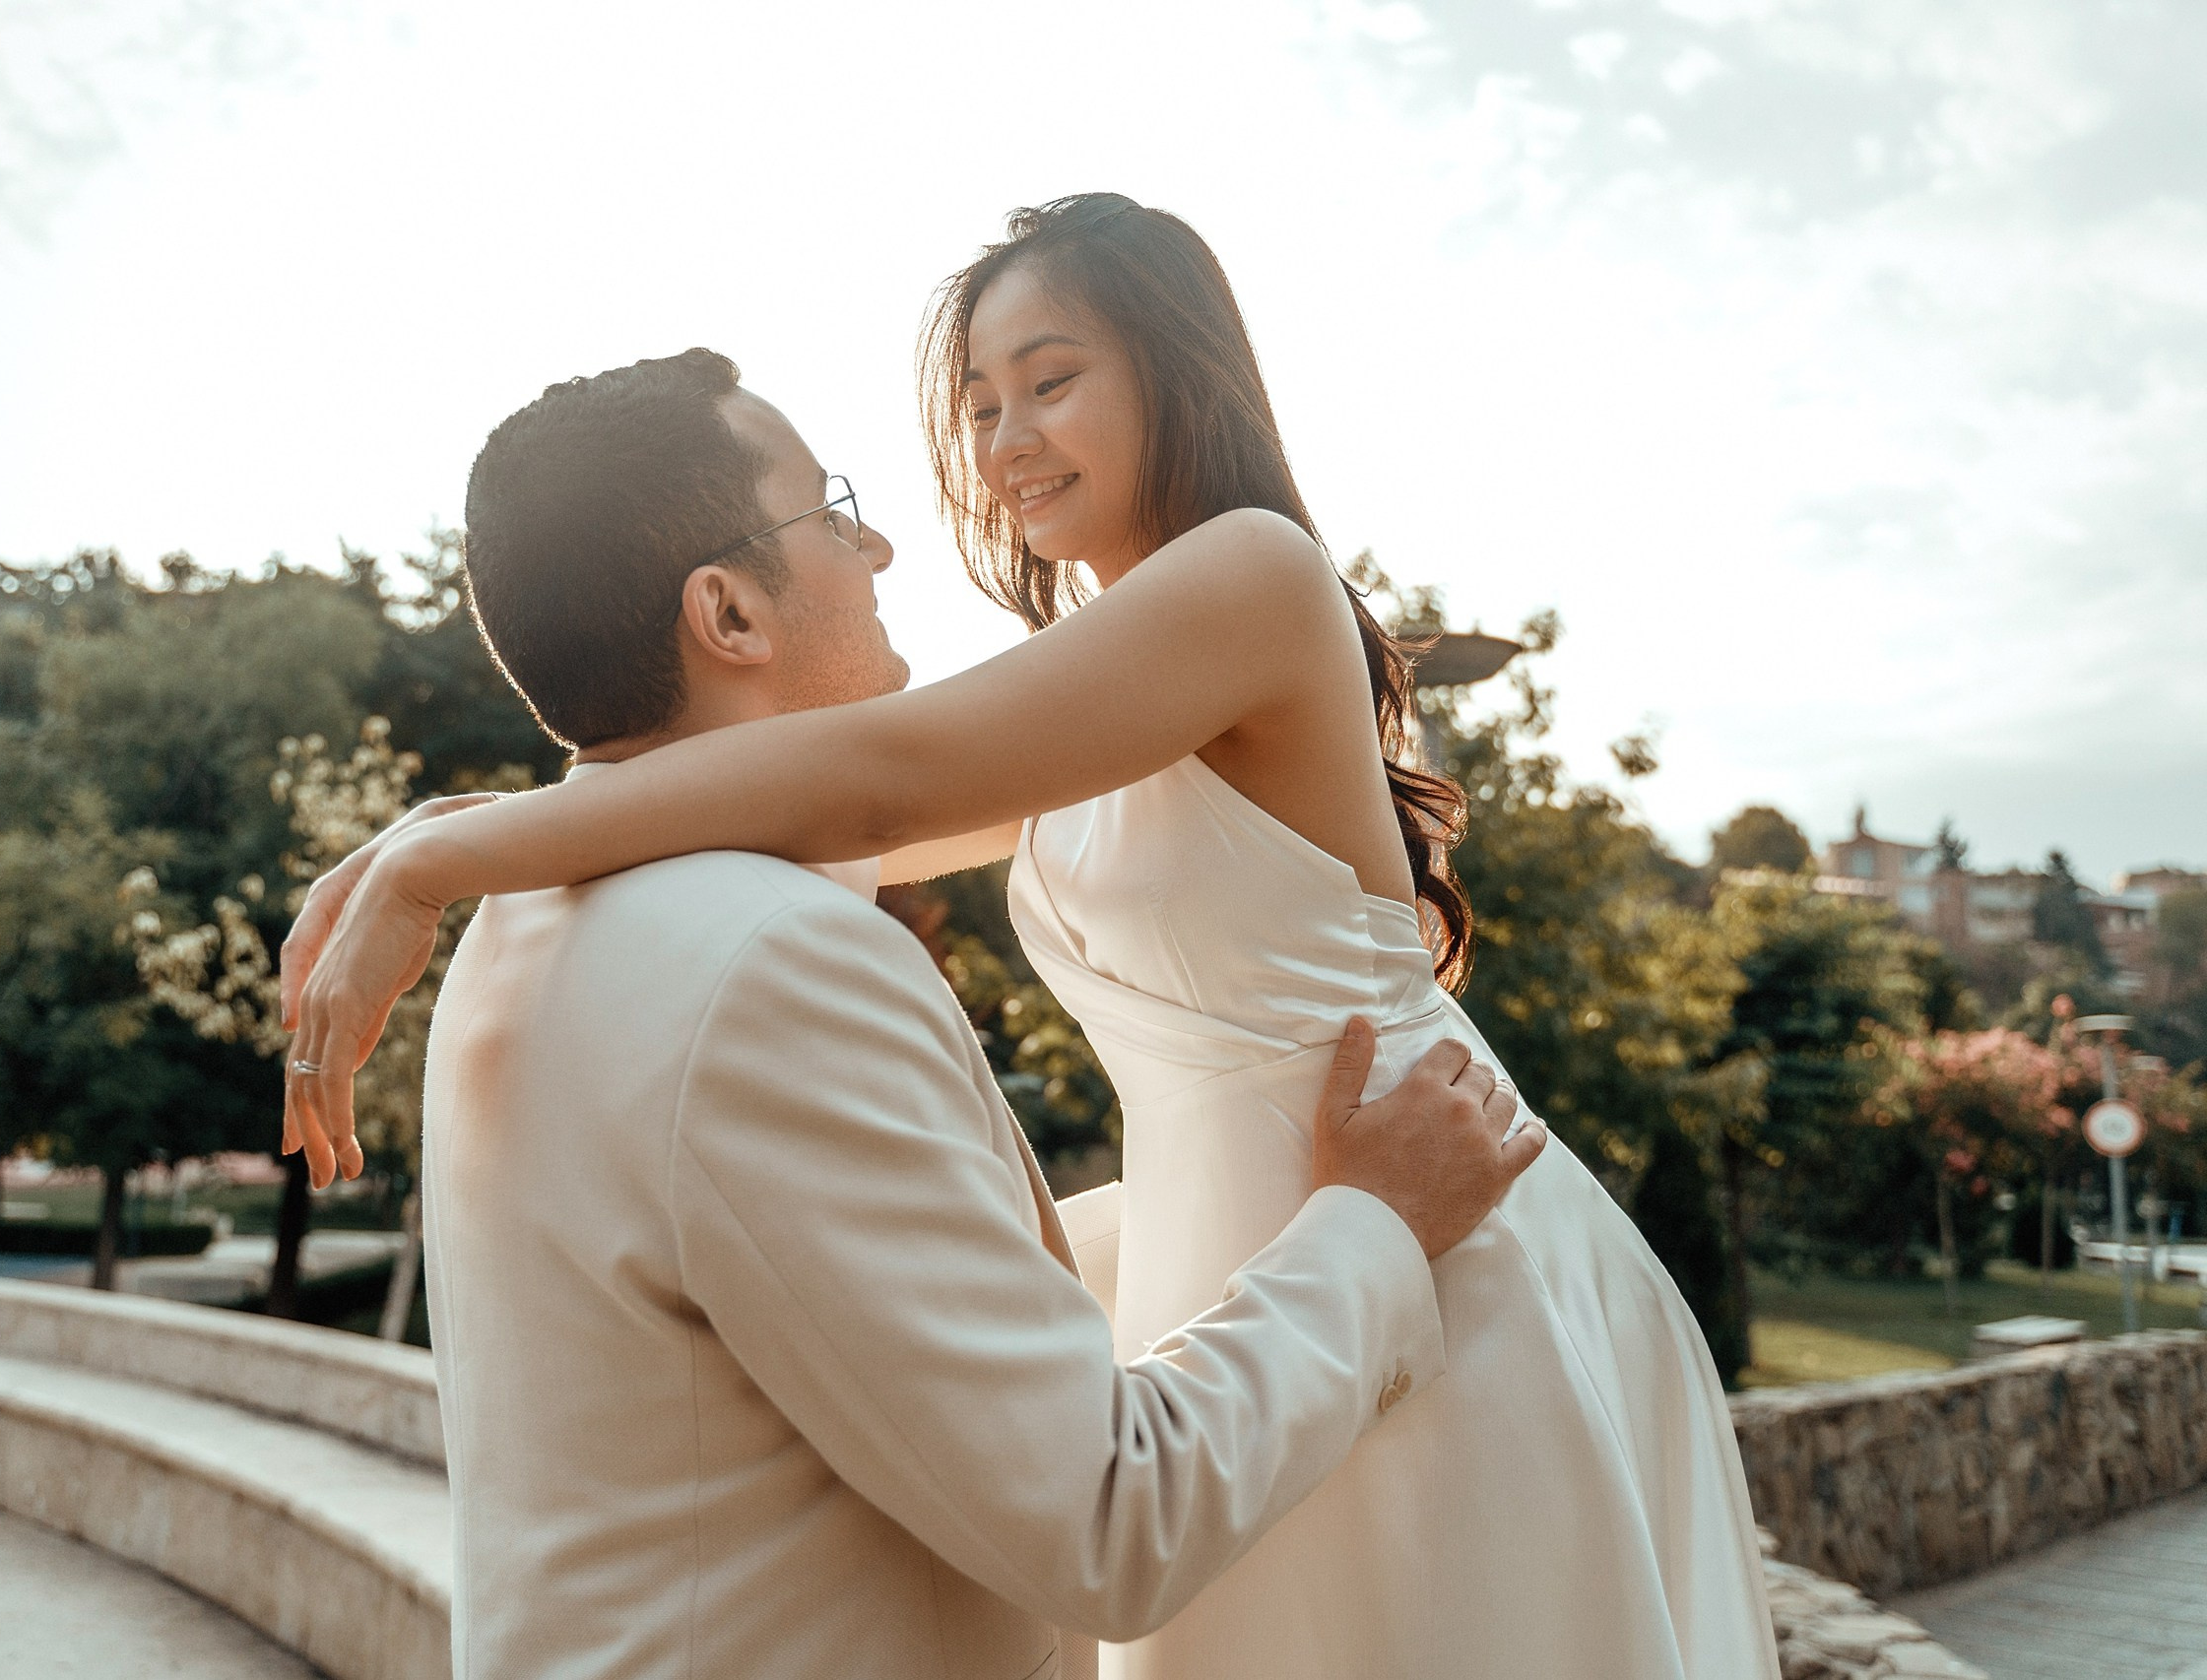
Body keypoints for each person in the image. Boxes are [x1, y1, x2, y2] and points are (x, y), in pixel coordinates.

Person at [284, 196, 1779, 1679]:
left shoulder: (1251, 574)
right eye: (981, 402)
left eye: (1051, 381)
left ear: (1180, 371)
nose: (1003, 442)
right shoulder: (1088, 690)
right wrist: (460, 829)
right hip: (1280, 1256)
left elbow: (875, 777)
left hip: (1423, 1218)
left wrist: (447, 851)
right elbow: (813, 811)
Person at [387, 347, 1540, 1679]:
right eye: (827, 510)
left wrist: (1228, 1193)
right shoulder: (771, 969)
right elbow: (1108, 1519)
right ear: (729, 613)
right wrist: (1374, 1227)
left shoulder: (523, 918)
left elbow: (833, 1295)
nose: (875, 545)